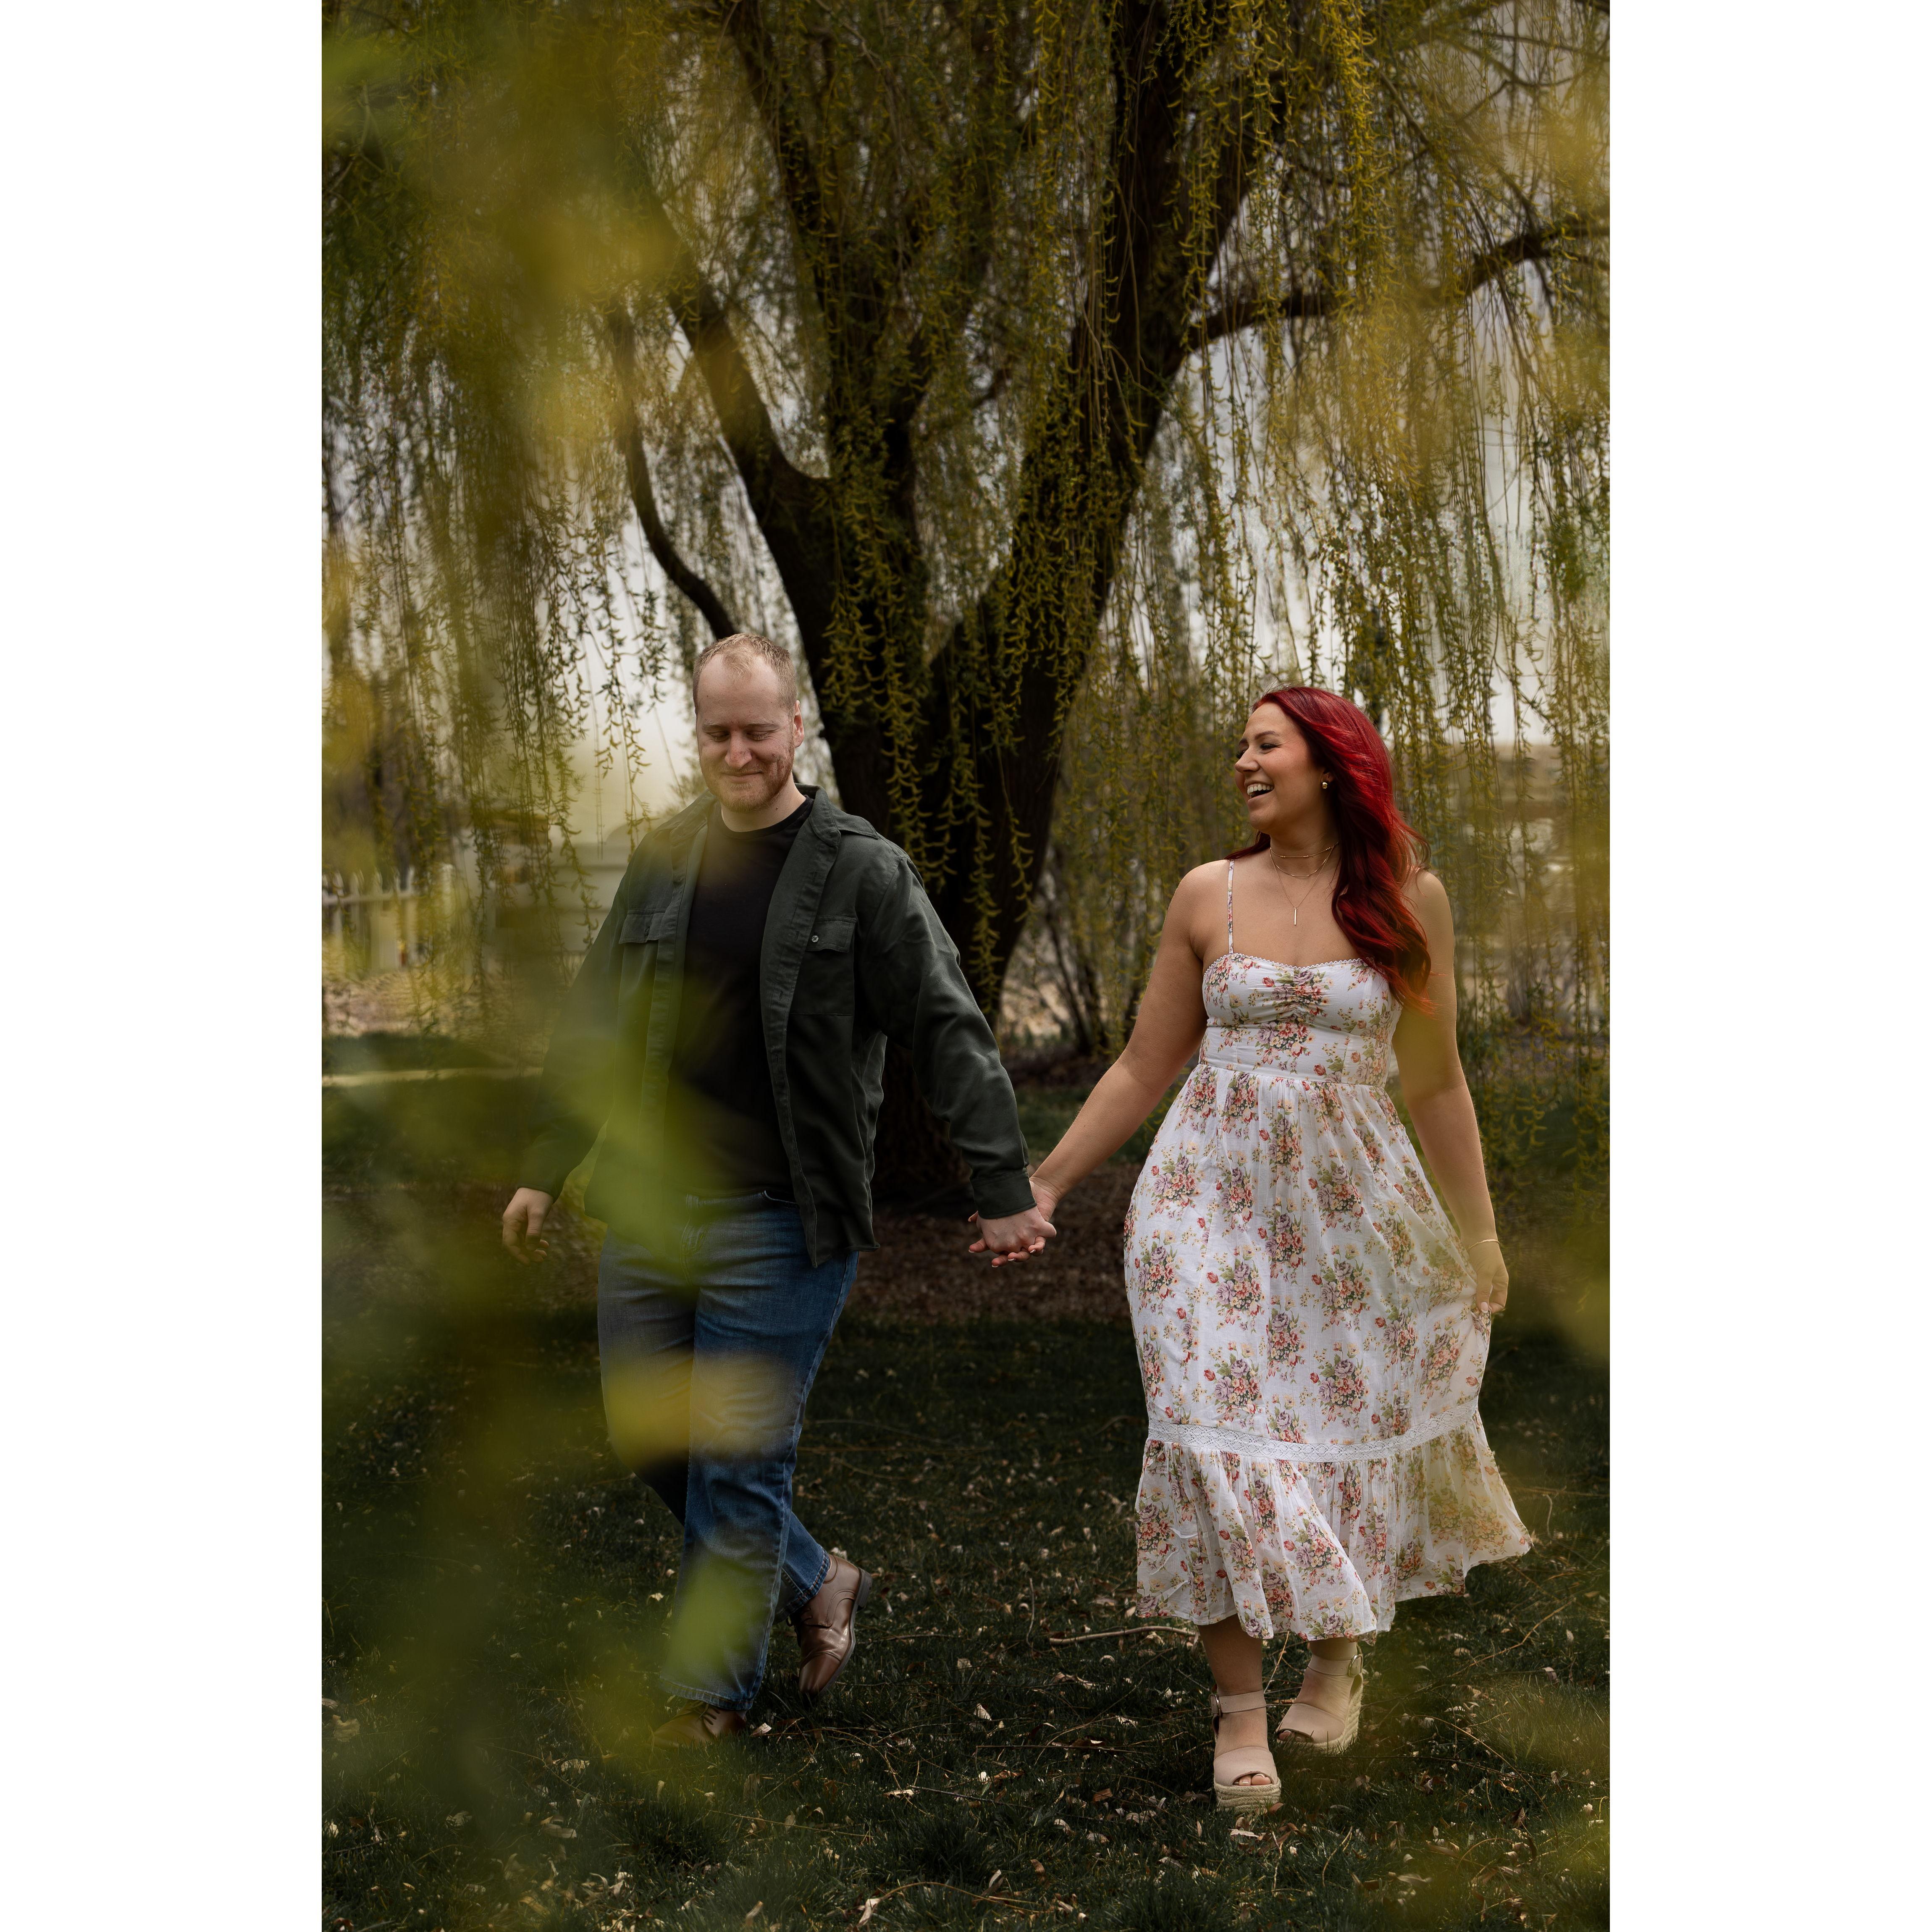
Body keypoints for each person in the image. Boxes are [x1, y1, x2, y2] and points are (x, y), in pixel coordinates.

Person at [501, 632, 1054, 1750]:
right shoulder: (666, 858)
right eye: (718, 732)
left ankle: (708, 1697)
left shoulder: (862, 870)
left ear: (796, 726)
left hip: (783, 1219)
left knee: (739, 1459)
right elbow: (596, 1020)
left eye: (759, 730)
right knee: (650, 1439)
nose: (739, 752)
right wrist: (543, 1164)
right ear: (699, 732)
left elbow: (944, 1024)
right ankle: (816, 1580)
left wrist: (1000, 1180)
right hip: (654, 1210)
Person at [1010, 685, 1530, 1811]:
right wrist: (1047, 1181)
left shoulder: (1410, 899)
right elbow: (1144, 1064)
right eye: (1241, 747)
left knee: (1344, 1423)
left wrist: (1479, 1232)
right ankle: (1239, 1711)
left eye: (1266, 745)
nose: (1244, 763)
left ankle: (1337, 1658)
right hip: (1203, 1210)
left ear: (1331, 764)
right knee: (1207, 1435)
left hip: (1354, 1215)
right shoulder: (1210, 893)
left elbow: (1436, 1082)